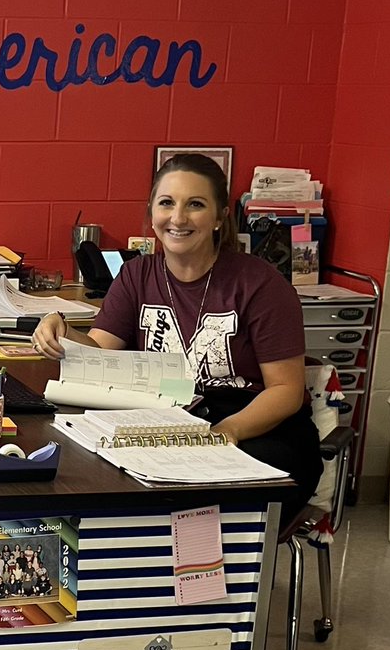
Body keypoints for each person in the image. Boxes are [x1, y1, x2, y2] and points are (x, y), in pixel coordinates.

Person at [31, 152, 322, 526]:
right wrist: (62, 330)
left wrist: (226, 432)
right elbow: (102, 353)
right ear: (152, 213)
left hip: (253, 426)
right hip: (169, 420)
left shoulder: (261, 284)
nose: (178, 218)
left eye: (195, 205)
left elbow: (286, 390)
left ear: (219, 218)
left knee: (190, 511)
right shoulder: (137, 275)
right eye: (167, 203)